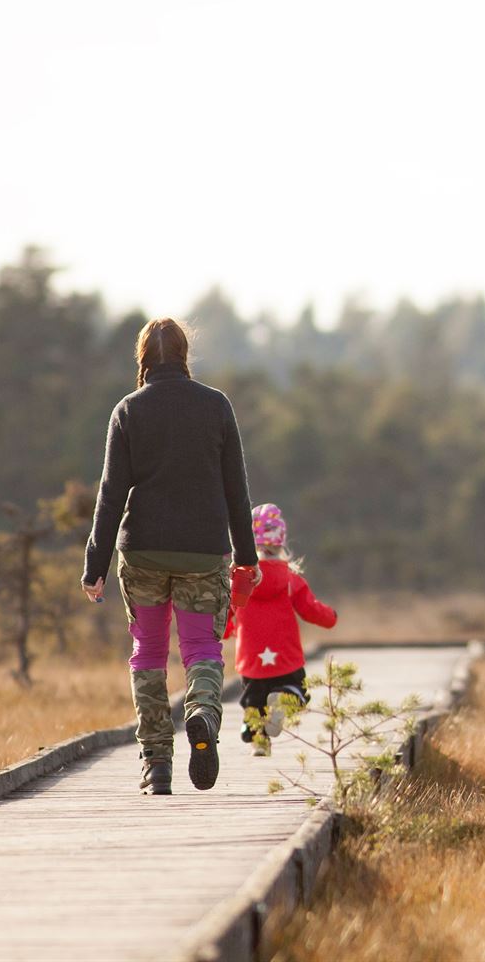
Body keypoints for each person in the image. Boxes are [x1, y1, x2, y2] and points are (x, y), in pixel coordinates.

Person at [81, 318, 261, 797]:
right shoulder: (216, 406)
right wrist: (247, 556)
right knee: (201, 649)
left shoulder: (128, 410)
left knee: (149, 653)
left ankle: (156, 762)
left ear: (142, 358)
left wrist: (95, 565)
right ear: (184, 355)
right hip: (203, 552)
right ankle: (201, 712)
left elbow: (111, 493)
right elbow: (236, 490)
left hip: (142, 551)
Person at [226, 503, 338, 754]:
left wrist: (222, 631)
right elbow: (310, 609)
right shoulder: (290, 579)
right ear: (281, 542)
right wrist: (331, 617)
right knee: (295, 692)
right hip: (285, 656)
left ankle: (259, 742)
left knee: (254, 704)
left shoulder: (241, 580)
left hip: (252, 657)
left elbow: (227, 611)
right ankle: (284, 697)